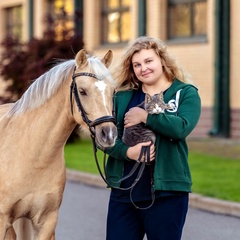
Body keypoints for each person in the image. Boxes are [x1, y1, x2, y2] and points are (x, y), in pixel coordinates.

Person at [105, 36, 201, 240]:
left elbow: (182, 128)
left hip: (167, 193)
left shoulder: (185, 93)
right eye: (137, 64)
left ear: (162, 61)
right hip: (124, 192)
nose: (143, 68)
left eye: (149, 61)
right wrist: (128, 152)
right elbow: (105, 138)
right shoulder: (122, 97)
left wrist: (146, 116)